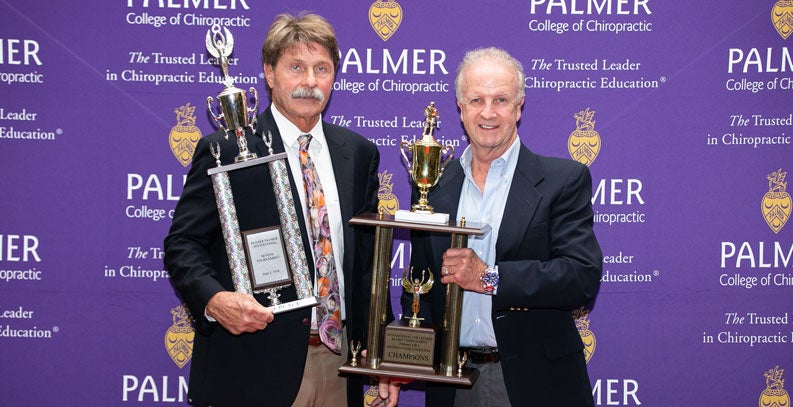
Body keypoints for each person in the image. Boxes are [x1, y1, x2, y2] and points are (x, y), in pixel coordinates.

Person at [164, 13, 385, 406]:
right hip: (252, 363)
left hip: (339, 362)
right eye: (295, 67)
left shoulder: (359, 154)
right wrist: (215, 301)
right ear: (269, 73)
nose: (310, 82)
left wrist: (376, 347)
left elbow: (366, 260)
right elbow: (183, 244)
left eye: (322, 69)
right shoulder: (229, 150)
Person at [380, 47, 602, 406]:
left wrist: (488, 278)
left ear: (519, 107)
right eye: (476, 99)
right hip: (452, 383)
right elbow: (419, 284)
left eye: (500, 99)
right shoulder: (433, 186)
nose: (488, 112)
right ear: (460, 108)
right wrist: (403, 360)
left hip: (536, 383)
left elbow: (580, 277)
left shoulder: (562, 180)